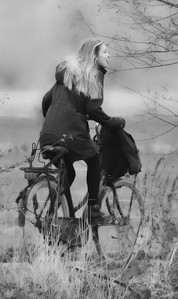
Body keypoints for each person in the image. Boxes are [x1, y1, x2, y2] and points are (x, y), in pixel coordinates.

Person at [39, 38, 125, 224]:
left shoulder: (67, 74)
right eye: (105, 52)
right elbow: (93, 108)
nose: (109, 55)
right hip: (70, 132)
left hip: (48, 134)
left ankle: (52, 214)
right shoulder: (92, 75)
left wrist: (55, 120)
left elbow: (46, 101)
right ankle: (93, 210)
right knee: (94, 159)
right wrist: (112, 121)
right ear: (94, 56)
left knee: (68, 173)